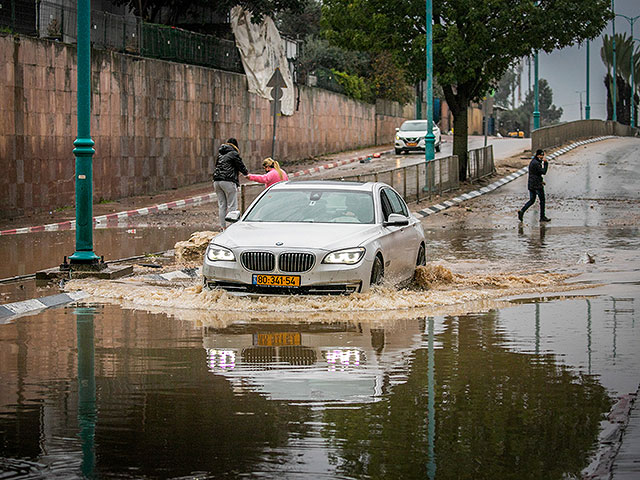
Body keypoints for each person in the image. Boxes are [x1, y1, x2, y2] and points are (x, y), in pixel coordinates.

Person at [213, 138, 248, 229]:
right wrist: (246, 174)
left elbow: (217, 166)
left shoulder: (220, 154)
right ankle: (232, 228)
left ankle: (223, 227)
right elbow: (240, 165)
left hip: (216, 181)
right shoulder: (234, 153)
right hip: (228, 181)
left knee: (222, 205)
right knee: (232, 205)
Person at [518, 149, 551, 223]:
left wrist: (541, 181)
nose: (542, 157)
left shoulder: (534, 162)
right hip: (537, 185)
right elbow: (543, 172)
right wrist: (546, 164)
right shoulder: (536, 163)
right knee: (542, 200)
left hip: (532, 184)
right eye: (541, 155)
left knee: (532, 200)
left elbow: (536, 174)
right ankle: (542, 217)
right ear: (538, 155)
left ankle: (522, 211)